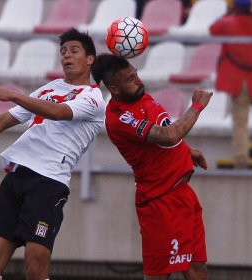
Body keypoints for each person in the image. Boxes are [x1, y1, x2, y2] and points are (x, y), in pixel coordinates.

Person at [0, 28, 105, 280]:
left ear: (90, 59)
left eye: (73, 50)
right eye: (62, 51)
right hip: (16, 177)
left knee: (35, 265)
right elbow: (2, 121)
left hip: (48, 183)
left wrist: (14, 94)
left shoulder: (93, 97)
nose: (66, 55)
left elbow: (58, 112)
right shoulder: (51, 87)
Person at [92, 53, 213, 280]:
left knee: (197, 269)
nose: (138, 81)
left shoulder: (141, 97)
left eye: (136, 74)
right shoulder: (120, 118)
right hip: (160, 202)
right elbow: (167, 135)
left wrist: (186, 150)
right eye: (130, 79)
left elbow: (164, 131)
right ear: (114, 89)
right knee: (160, 274)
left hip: (183, 195)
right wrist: (196, 106)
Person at [210, 0, 252, 169]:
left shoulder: (227, 23)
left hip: (238, 81)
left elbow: (213, 29)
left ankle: (241, 160)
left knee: (240, 123)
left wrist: (228, 12)